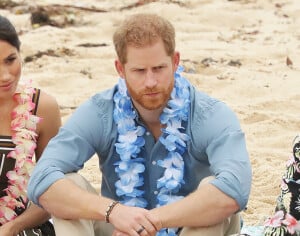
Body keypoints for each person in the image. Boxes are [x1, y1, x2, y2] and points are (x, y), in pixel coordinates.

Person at [27, 13, 252, 236]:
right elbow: (42, 179)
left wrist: (150, 220)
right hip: (119, 229)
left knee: (212, 197)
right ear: (120, 69)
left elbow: (235, 188)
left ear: (175, 61)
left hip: (190, 228)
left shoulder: (210, 114)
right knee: (69, 182)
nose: (150, 82)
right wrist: (113, 212)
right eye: (139, 71)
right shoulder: (100, 112)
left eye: (159, 68)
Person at [0, 14, 61, 236]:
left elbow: (54, 191)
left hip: (22, 230)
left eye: (10, 60)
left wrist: (13, 227)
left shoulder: (42, 108)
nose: (5, 76)